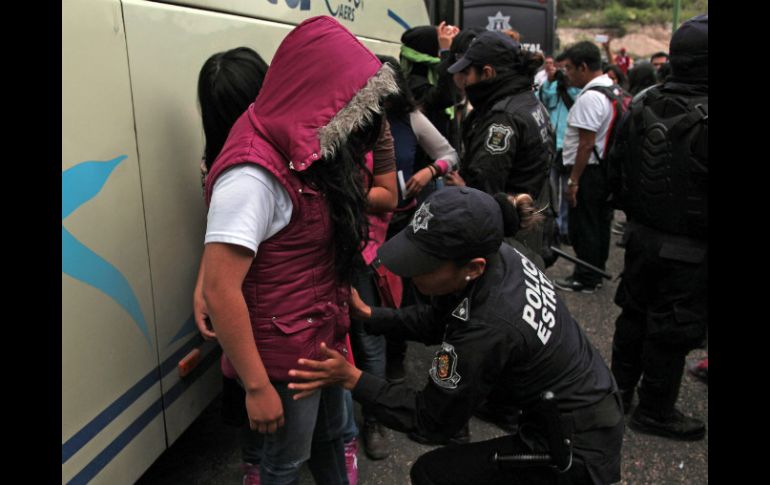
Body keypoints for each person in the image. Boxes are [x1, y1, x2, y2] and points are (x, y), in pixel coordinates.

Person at [287, 186, 624, 485]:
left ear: (472, 267)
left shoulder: (488, 327)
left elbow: (431, 420)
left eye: (424, 264)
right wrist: (372, 316)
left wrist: (352, 378)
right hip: (577, 410)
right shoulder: (496, 256)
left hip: (576, 448)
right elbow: (440, 320)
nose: (410, 271)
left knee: (433, 473)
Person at [200, 16, 399, 484]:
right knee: (285, 461)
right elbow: (219, 286)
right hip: (285, 355)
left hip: (314, 334)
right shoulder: (251, 176)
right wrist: (255, 386)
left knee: (336, 435)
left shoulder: (298, 141)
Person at [609, 14, 708, 441]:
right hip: (691, 246)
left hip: (641, 236)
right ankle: (654, 410)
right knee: (673, 327)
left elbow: (616, 168)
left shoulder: (641, 101)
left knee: (634, 313)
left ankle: (616, 394)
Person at [194, 46, 270, 485]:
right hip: (260, 300)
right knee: (260, 397)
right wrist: (207, 283)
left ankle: (255, 467)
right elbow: (220, 234)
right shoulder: (245, 169)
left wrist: (205, 281)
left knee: (248, 392)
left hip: (243, 298)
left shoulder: (218, 160)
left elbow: (216, 237)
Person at [375, 55, 460, 392]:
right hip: (368, 222)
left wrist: (430, 170)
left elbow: (449, 154)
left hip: (402, 220)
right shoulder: (357, 118)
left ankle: (395, 355)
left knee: (401, 295)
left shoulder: (410, 118)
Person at [446, 31, 556, 270]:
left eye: (467, 73)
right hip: (528, 223)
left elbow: (484, 187)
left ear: (487, 73)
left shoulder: (502, 118)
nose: (465, 81)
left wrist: (462, 189)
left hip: (506, 236)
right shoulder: (529, 100)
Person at [552, 41, 616, 294]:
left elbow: (586, 144)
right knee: (599, 223)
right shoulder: (611, 89)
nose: (566, 74)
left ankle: (586, 277)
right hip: (602, 170)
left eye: (569, 68)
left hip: (588, 172)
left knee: (585, 225)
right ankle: (595, 270)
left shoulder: (590, 97)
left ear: (583, 67)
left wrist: (573, 181)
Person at [538, 58, 581, 247]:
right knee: (552, 188)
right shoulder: (553, 87)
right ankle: (554, 226)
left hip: (570, 145)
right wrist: (550, 79)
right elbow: (544, 98)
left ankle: (565, 228)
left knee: (567, 190)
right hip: (553, 144)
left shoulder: (577, 90)